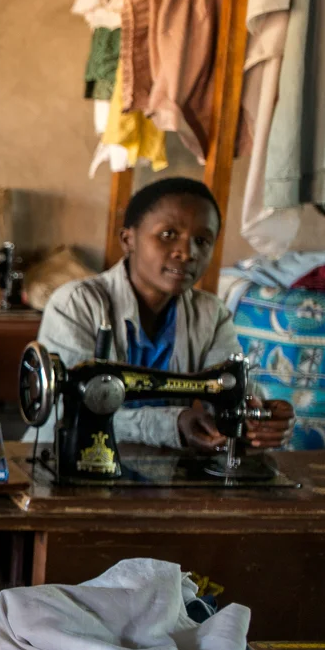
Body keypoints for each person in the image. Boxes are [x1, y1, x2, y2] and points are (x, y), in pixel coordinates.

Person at [30, 176, 293, 452]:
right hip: (65, 458)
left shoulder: (210, 314)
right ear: (128, 239)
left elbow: (234, 389)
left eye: (202, 241)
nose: (187, 252)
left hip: (157, 470)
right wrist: (173, 424)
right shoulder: (76, 304)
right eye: (168, 235)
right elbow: (70, 410)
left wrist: (259, 414)